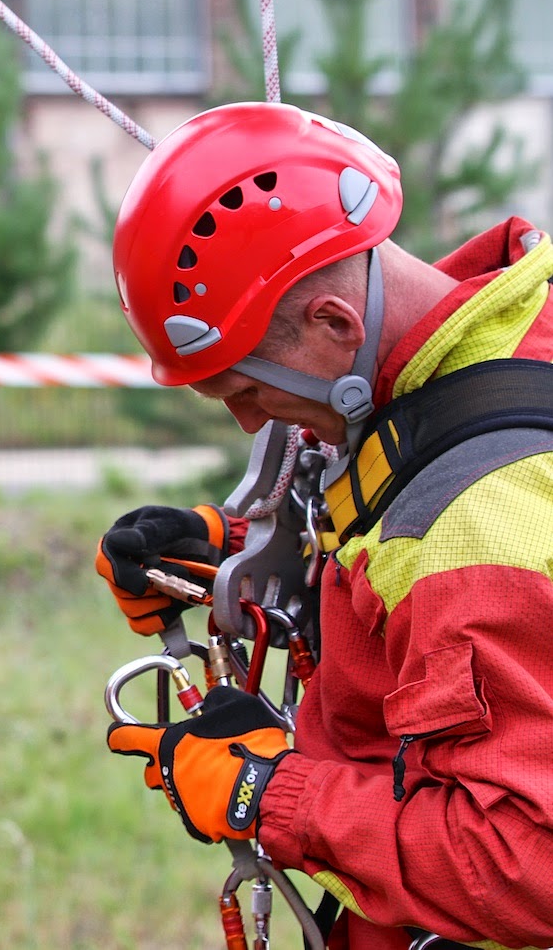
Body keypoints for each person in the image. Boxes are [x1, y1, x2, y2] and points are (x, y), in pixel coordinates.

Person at [95, 101, 553, 950]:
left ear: (334, 325)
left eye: (245, 390)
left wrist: (269, 792)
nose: (245, 425)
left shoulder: (477, 522)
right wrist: (237, 558)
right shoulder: (492, 351)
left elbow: (522, 866)